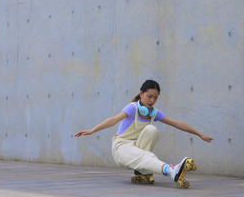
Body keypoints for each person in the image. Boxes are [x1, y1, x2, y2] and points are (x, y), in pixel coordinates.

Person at [74, 79, 213, 188]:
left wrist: (199, 134)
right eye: (149, 96)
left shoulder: (154, 113)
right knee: (145, 155)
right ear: (141, 94)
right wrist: (92, 130)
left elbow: (177, 123)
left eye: (155, 98)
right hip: (121, 148)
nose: (152, 101)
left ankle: (142, 170)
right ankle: (171, 171)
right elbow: (114, 119)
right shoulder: (132, 107)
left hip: (137, 148)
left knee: (152, 130)